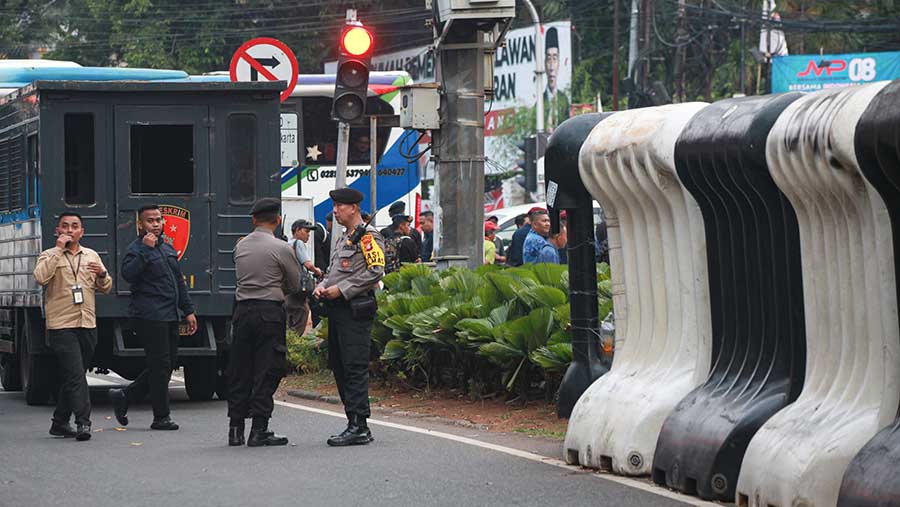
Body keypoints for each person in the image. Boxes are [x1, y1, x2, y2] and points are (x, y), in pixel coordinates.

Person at [110, 205, 198, 432]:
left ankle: (125, 395)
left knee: (165, 365)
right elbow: (128, 275)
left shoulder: (167, 249)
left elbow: (178, 282)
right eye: (150, 220)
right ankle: (161, 416)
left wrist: (188, 310)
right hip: (149, 314)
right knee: (159, 364)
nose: (156, 224)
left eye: (159, 220)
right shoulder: (136, 249)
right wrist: (145, 252)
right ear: (140, 224)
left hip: (170, 313)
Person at [226, 198, 301, 447]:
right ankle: (259, 429)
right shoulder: (282, 248)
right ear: (278, 220)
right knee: (267, 371)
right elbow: (294, 283)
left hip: (242, 311)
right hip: (269, 313)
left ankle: (235, 429)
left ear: (253, 220)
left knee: (240, 370)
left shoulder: (240, 246)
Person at [314, 187, 385, 446]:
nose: (335, 210)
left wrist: (341, 289)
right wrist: (322, 286)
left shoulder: (367, 237)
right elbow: (337, 271)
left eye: (340, 206)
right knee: (340, 366)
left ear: (353, 207)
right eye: (334, 206)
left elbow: (376, 270)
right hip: (337, 311)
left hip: (355, 310)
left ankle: (359, 425)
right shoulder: (346, 236)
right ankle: (352, 421)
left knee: (354, 367)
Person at [33, 212, 112, 441]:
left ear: (82, 231)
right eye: (65, 226)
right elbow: (40, 277)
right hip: (61, 324)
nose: (70, 230)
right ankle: (83, 423)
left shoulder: (91, 255)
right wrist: (59, 249)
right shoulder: (49, 255)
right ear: (58, 231)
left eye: (75, 226)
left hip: (87, 322)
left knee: (73, 375)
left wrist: (103, 274)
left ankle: (59, 423)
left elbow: (105, 287)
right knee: (76, 375)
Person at [285, 219, 321, 334]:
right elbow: (308, 264)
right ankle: (294, 346)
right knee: (303, 311)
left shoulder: (286, 245)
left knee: (289, 321)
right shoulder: (298, 243)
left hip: (287, 289)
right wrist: (317, 271)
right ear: (297, 230)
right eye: (306, 231)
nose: (308, 235)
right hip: (298, 290)